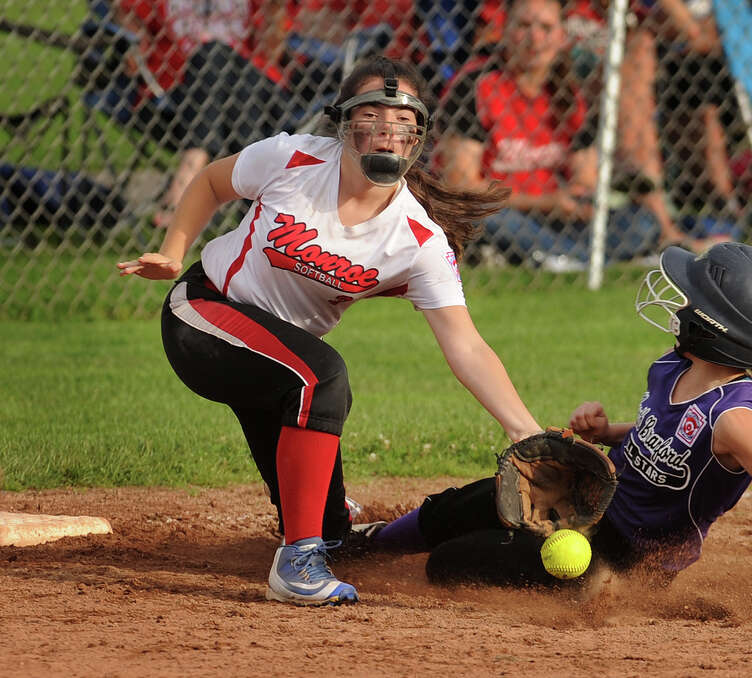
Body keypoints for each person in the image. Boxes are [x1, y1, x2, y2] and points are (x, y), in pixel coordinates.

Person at [116, 55, 543, 606]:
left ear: (418, 139)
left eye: (402, 123)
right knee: (322, 376)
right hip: (205, 314)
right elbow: (212, 181)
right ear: (343, 124)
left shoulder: (418, 238)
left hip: (278, 362)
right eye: (371, 118)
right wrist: (173, 252)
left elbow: (466, 344)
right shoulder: (291, 157)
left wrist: (525, 431)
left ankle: (359, 536)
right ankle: (295, 566)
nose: (386, 133)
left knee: (333, 532)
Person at [354, 242, 752, 616]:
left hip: (629, 559)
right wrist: (606, 432)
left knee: (450, 563)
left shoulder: (737, 421)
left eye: (690, 298)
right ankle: (368, 544)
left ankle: (601, 590)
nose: (678, 301)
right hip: (590, 500)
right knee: (477, 501)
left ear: (713, 325)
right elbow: (660, 436)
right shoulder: (673, 366)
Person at [438, 0, 669, 272]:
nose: (535, 38)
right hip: (503, 211)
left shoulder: (567, 92)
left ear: (561, 36)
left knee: (642, 222)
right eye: (524, 26)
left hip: (556, 220)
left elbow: (585, 178)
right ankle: (583, 260)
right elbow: (460, 186)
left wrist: (580, 200)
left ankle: (562, 258)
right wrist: (547, 203)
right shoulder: (476, 86)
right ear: (506, 30)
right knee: (486, 219)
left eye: (546, 28)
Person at [108, 0, 312, 228]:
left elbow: (272, 52)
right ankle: (253, 210)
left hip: (256, 85)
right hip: (180, 90)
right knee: (213, 59)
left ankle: (193, 164)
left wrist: (274, 12)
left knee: (218, 57)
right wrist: (133, 40)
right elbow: (124, 12)